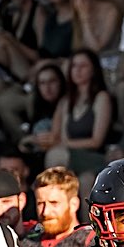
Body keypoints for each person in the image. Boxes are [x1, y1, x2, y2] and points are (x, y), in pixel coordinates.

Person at [44, 49, 114, 184]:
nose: (77, 70)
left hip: (93, 156)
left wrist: (64, 144)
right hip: (71, 155)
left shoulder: (101, 98)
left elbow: (96, 141)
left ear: (93, 70)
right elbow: (64, 136)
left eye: (83, 66)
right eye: (74, 66)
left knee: (56, 155)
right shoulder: (66, 101)